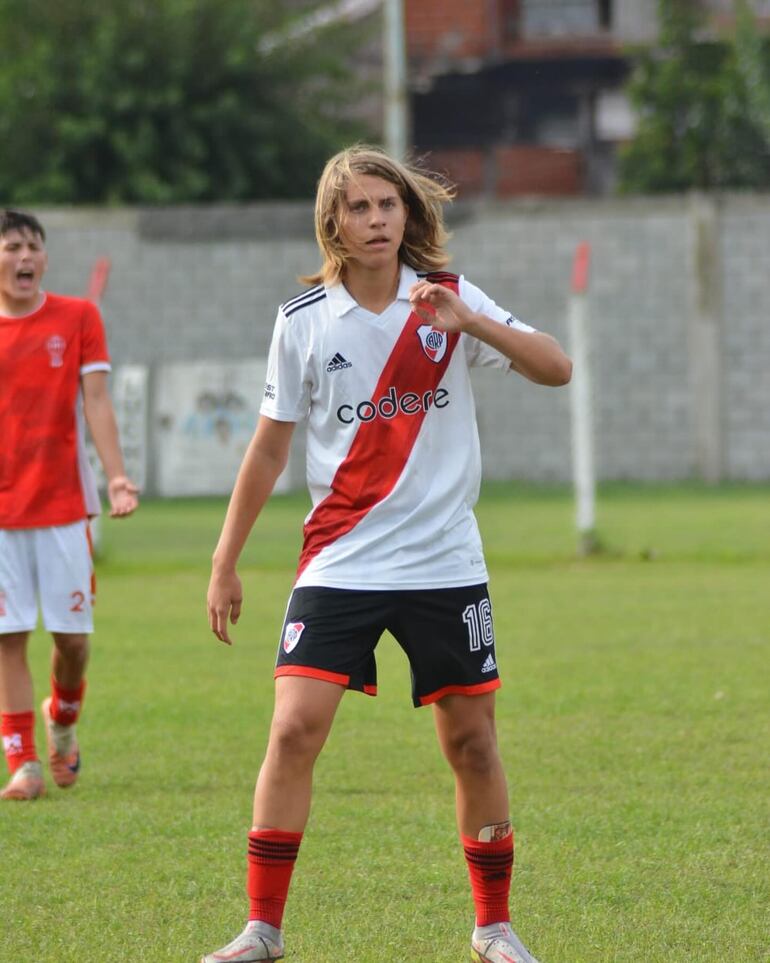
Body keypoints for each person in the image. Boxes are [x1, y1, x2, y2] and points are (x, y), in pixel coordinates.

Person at [204, 145, 572, 963]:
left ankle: (495, 927)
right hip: (340, 559)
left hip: (446, 562)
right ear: (333, 221)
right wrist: (226, 559)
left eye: (388, 206)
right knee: (294, 728)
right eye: (359, 207)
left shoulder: (449, 299)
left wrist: (469, 322)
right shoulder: (303, 321)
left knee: (472, 741)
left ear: (409, 215)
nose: (376, 220)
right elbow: (267, 452)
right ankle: (262, 929)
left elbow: (557, 367)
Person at [0, 209, 138, 802]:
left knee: (72, 641)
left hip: (62, 507)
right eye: (11, 247)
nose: (23, 257)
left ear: (45, 258)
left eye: (32, 246)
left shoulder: (79, 316)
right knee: (7, 637)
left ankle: (63, 719)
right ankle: (24, 762)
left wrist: (117, 478)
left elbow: (98, 403)